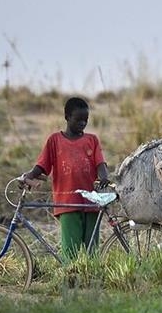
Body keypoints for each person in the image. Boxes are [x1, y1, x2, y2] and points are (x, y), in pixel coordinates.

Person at [19, 97, 110, 260]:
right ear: (67, 117)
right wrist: (29, 175)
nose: (83, 123)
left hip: (91, 201)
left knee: (92, 250)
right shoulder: (55, 140)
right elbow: (42, 165)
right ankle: (71, 280)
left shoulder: (92, 140)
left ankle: (93, 280)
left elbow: (100, 163)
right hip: (67, 201)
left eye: (85, 120)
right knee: (70, 250)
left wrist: (104, 177)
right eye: (78, 120)